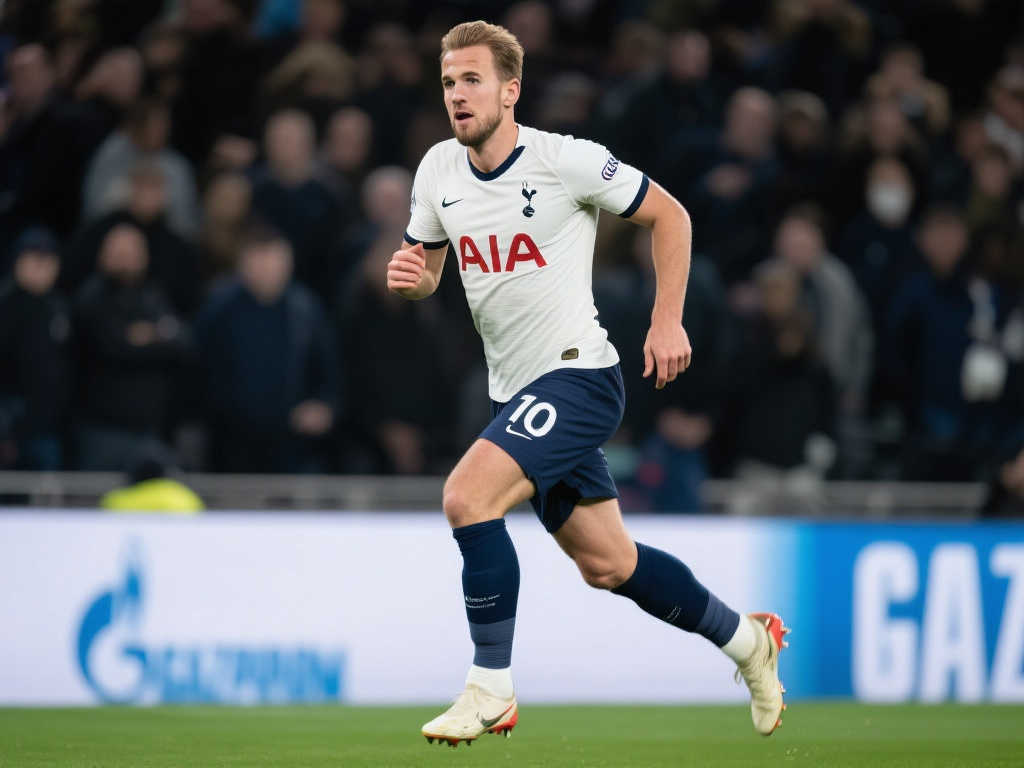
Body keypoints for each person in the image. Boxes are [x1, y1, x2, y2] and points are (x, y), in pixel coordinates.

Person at [387, 21, 789, 747]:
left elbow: (671, 215)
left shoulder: (564, 160)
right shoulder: (438, 171)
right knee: (609, 564)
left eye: (472, 79)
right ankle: (748, 642)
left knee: (466, 497)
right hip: (516, 395)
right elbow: (429, 271)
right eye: (448, 82)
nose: (457, 95)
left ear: (510, 90)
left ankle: (490, 688)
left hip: (578, 376)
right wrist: (412, 279)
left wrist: (667, 321)